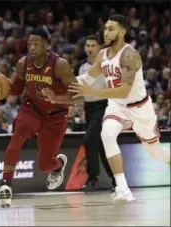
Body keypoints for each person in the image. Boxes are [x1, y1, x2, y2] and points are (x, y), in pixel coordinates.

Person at [43, 14, 170, 205]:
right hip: (117, 106)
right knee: (107, 135)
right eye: (105, 28)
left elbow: (125, 90)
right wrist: (58, 89)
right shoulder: (103, 55)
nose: (106, 32)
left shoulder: (130, 55)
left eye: (111, 29)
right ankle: (122, 188)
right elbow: (87, 77)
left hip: (139, 108)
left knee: (155, 153)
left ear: (122, 31)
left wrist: (91, 90)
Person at [0, 28, 78, 207]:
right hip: (32, 109)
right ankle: (5, 184)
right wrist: (1, 87)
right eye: (29, 44)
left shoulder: (59, 65)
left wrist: (57, 98)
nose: (32, 48)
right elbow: (16, 89)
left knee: (44, 165)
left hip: (55, 116)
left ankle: (58, 165)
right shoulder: (23, 64)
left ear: (46, 45)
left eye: (36, 44)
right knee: (17, 137)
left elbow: (78, 95)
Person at [75, 35, 115, 191]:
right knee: (101, 145)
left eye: (93, 45)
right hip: (88, 108)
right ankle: (116, 180)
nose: (90, 48)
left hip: (104, 106)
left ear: (99, 48)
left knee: (89, 138)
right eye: (87, 45)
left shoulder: (107, 66)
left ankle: (93, 177)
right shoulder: (80, 67)